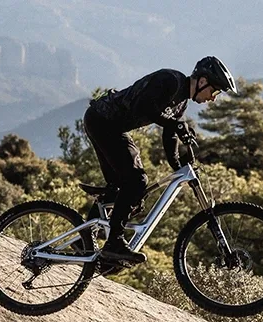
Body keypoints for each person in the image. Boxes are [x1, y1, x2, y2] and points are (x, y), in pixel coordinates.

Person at [83, 56, 235, 267]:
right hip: (102, 121)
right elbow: (143, 109)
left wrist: (178, 166)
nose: (213, 98)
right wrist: (175, 124)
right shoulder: (170, 81)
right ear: (202, 82)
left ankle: (85, 240)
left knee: (126, 191)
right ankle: (114, 244)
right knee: (136, 181)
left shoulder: (181, 103)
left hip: (112, 127)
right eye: (215, 91)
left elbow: (169, 135)